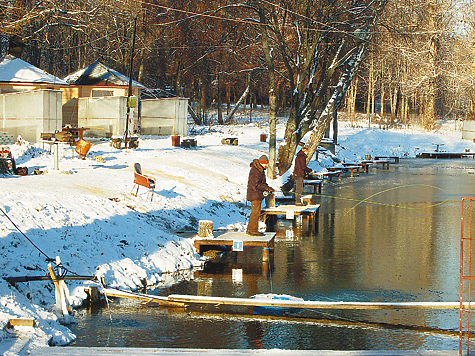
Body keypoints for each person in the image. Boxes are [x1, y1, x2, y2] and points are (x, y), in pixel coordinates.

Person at [246, 154, 275, 236]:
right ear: (261, 163)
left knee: (255, 212)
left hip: (256, 194)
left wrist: (267, 187)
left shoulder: (259, 170)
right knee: (256, 213)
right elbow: (257, 184)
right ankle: (253, 230)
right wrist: (266, 188)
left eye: (267, 164)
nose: (266, 165)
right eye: (265, 163)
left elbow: (261, 183)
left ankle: (250, 229)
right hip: (255, 194)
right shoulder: (256, 171)